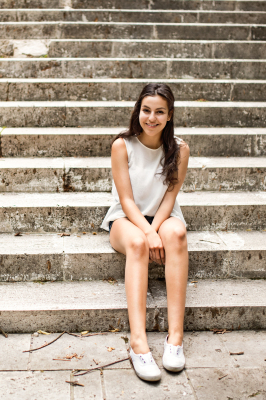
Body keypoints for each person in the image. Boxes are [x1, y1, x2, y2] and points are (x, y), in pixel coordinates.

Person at [101, 83, 190, 381]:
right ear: (138, 111)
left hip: (163, 216)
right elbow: (126, 200)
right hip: (125, 219)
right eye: (146, 110)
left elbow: (170, 197)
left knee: (176, 235)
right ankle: (138, 344)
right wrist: (149, 233)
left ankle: (174, 340)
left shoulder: (180, 149)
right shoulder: (121, 145)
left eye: (159, 112)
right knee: (138, 244)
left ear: (170, 115)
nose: (151, 118)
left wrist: (157, 230)